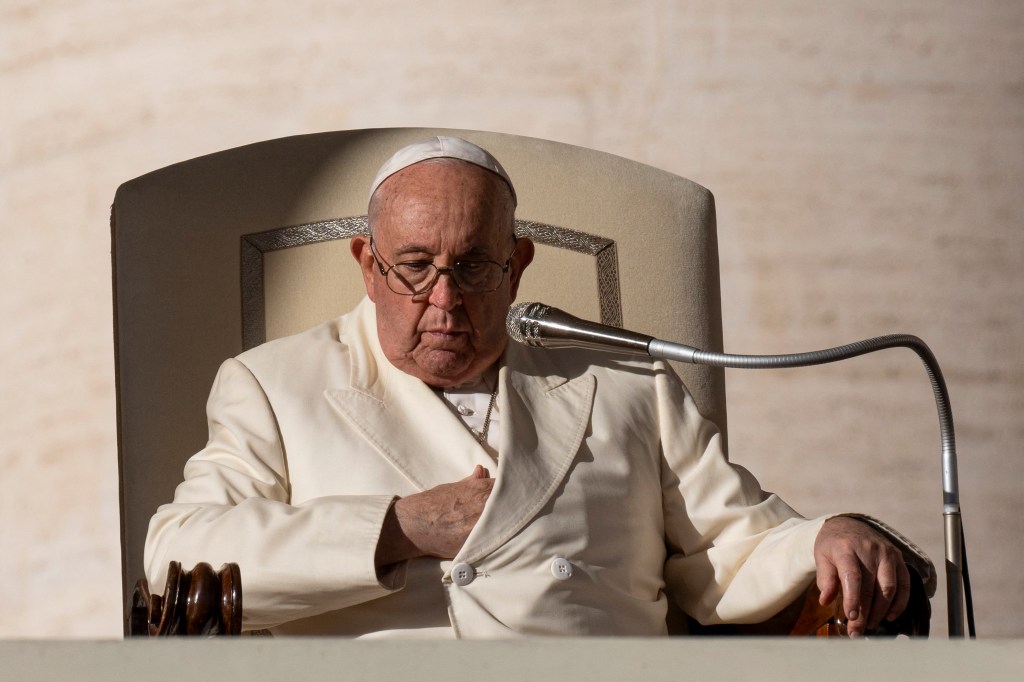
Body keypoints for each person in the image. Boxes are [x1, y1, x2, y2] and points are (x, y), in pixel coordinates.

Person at [146, 136, 926, 638]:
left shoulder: (624, 378)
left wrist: (823, 536)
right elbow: (176, 560)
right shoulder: (276, 385)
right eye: (415, 266)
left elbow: (730, 544)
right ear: (366, 264)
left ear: (518, 265)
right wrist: (396, 528)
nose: (444, 300)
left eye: (475, 268)